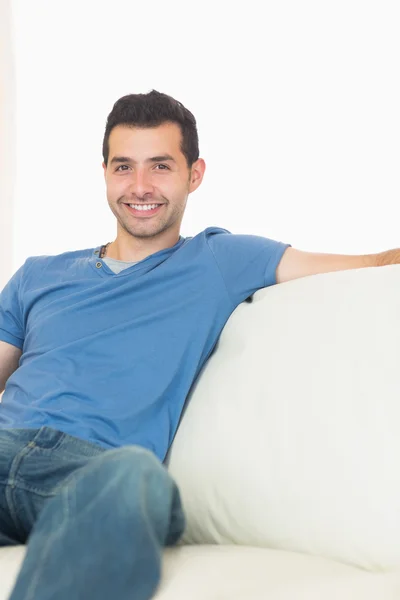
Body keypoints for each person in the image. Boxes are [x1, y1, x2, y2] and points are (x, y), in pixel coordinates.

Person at [0, 90, 398, 600]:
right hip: (8, 442)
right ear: (104, 173)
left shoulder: (219, 259)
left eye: (160, 166)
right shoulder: (38, 274)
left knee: (137, 478)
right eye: (124, 167)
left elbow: (369, 265)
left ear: (195, 174)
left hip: (95, 471)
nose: (140, 186)